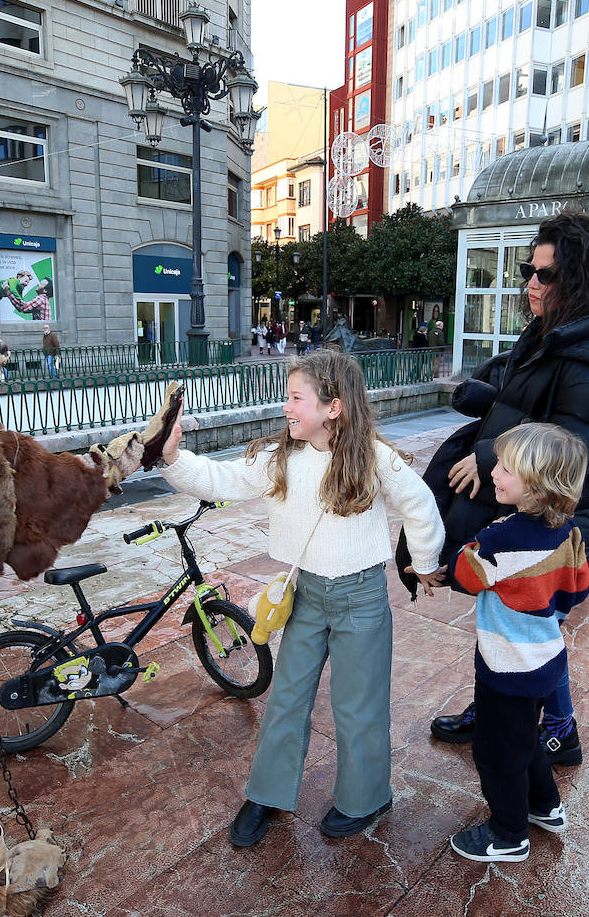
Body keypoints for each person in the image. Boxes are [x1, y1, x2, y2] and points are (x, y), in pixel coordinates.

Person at [158, 351, 446, 847]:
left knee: (359, 705)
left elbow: (420, 505)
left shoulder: (374, 457)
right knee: (287, 697)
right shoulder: (281, 458)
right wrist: (170, 456)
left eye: (296, 398)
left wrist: (423, 563)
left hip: (361, 596)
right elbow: (221, 480)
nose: (286, 406)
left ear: (333, 406)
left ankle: (366, 796)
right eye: (287, 396)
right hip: (306, 594)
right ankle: (267, 794)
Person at [426, 211, 589, 764]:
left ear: (577, 284)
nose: (531, 282)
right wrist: (486, 403)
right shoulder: (551, 342)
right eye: (529, 270)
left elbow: (563, 460)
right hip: (532, 517)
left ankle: (560, 729)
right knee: (511, 624)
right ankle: (497, 706)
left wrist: (488, 458)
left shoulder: (586, 370)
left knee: (534, 631)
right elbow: (531, 409)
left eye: (546, 275)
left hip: (557, 525)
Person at [448, 422, 589, 864]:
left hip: (506, 665)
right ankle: (544, 805)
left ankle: (509, 833)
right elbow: (577, 589)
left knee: (495, 751)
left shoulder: (501, 538)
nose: (494, 472)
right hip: (545, 658)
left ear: (536, 487)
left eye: (506, 468)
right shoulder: (568, 531)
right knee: (525, 737)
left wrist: (471, 545)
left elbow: (464, 574)